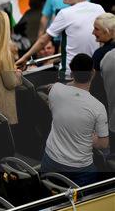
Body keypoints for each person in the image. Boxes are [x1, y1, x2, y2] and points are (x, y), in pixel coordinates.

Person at [17, 0, 105, 80]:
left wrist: (25, 58)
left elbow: (43, 40)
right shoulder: (99, 9)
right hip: (93, 73)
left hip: (70, 75)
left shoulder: (65, 13)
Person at [41, 54, 109, 186]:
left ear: (71, 72)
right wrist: (89, 136)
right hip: (80, 169)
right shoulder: (98, 107)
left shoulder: (55, 89)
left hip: (50, 160)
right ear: (93, 73)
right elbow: (103, 144)